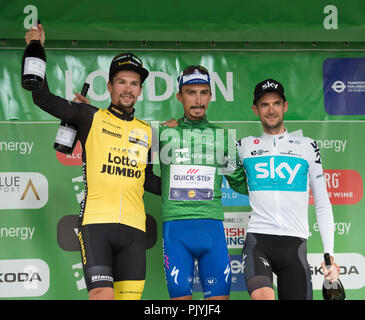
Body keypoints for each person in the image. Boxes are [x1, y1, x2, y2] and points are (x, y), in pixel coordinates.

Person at [25, 24, 161, 300]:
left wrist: (192, 181)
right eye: (121, 82)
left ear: (140, 90)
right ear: (110, 86)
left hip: (135, 229)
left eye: (134, 83)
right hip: (97, 225)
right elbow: (43, 98)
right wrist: (35, 47)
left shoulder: (147, 131)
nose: (128, 88)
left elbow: (147, 179)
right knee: (101, 294)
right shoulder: (90, 116)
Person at [236, 79, 340, 300]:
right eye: (264, 105)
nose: (271, 110)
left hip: (295, 245)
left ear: (285, 106)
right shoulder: (243, 146)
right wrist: (179, 128)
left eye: (276, 103)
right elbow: (203, 158)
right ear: (256, 109)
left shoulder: (307, 146)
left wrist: (329, 254)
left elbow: (322, 202)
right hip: (258, 241)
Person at [160, 65, 248, 300]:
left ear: (210, 96)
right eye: (191, 92)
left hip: (212, 229)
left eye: (203, 92)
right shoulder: (163, 134)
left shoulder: (223, 137)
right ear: (179, 96)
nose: (197, 100)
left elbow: (241, 184)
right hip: (176, 230)